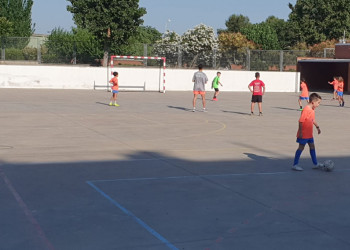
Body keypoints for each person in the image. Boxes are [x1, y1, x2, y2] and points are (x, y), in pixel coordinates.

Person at [292, 93, 324, 171]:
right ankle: (295, 165)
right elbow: (300, 121)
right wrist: (300, 132)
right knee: (301, 147)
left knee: (312, 146)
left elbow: (313, 119)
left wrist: (317, 127)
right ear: (313, 102)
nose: (319, 105)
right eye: (318, 103)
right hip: (304, 133)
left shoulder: (312, 109)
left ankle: (315, 164)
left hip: (310, 134)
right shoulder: (306, 109)